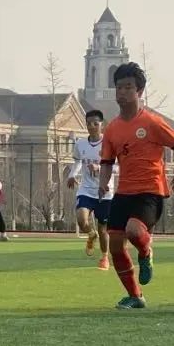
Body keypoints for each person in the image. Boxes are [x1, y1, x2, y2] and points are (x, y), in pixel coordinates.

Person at [99, 63, 174, 309]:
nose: (122, 92)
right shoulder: (112, 128)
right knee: (115, 246)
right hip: (123, 193)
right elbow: (107, 161)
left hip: (150, 191)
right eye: (119, 87)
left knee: (134, 231)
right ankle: (135, 296)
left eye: (128, 87)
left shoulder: (151, 122)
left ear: (139, 91)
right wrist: (103, 183)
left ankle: (146, 252)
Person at [66, 110, 113, 269]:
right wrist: (72, 175)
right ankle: (91, 234)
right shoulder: (80, 144)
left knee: (103, 228)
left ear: (102, 125)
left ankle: (104, 258)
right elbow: (78, 162)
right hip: (86, 189)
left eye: (95, 123)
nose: (92, 126)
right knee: (81, 219)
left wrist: (99, 167)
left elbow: (118, 167)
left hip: (105, 191)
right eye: (88, 123)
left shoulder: (109, 143)